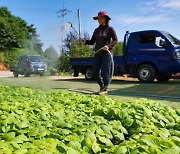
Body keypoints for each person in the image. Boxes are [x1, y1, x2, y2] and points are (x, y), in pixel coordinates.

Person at [82, 10, 118, 95]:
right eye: (98, 18)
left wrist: (108, 46)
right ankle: (101, 86)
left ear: (105, 18)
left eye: (100, 18)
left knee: (105, 72)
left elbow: (115, 40)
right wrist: (85, 42)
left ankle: (105, 88)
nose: (98, 20)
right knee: (95, 71)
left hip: (107, 53)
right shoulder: (96, 30)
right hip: (98, 53)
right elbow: (92, 42)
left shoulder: (110, 29)